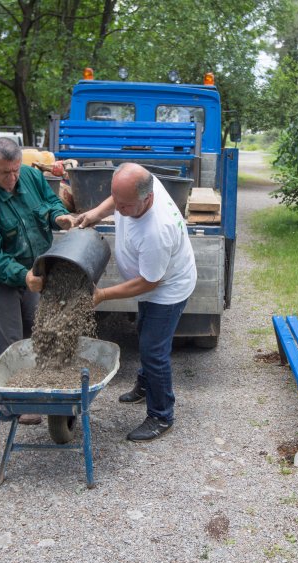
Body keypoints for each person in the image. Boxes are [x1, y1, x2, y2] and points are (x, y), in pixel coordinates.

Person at [73, 163, 196, 442]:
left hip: (167, 290)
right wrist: (94, 213)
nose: (118, 209)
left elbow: (149, 282)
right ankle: (145, 384)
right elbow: (117, 199)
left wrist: (102, 295)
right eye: (116, 200)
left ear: (147, 199)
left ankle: (161, 415)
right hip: (152, 284)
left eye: (125, 206)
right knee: (144, 332)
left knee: (153, 350)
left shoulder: (157, 230)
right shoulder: (140, 184)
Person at [0, 138, 76, 424]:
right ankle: (10, 403)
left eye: (15, 170)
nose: (12, 178)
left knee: (38, 328)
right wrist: (22, 276)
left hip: (33, 269)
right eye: (5, 173)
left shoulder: (31, 175)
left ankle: (35, 391)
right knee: (9, 338)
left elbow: (50, 201)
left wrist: (58, 216)